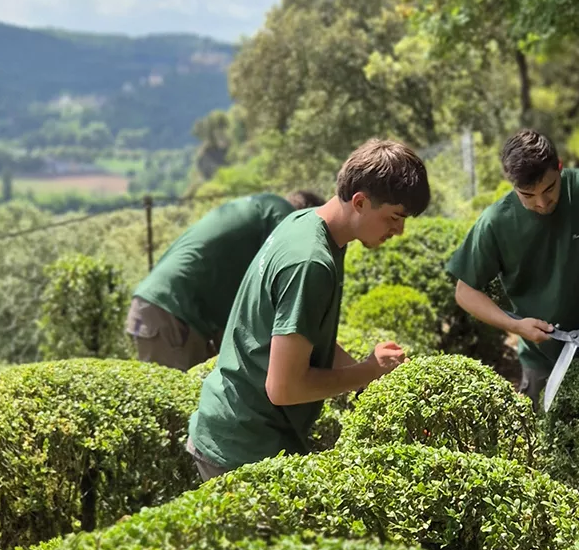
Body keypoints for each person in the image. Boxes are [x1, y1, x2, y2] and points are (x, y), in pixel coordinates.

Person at [185, 139, 430, 480]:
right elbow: (284, 387)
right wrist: (368, 371)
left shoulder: (304, 224)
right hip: (242, 448)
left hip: (239, 432)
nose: (399, 230)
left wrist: (368, 371)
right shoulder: (310, 262)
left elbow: (307, 338)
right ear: (359, 202)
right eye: (394, 217)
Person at [447, 129, 579, 408]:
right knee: (544, 440)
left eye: (549, 188)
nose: (541, 202)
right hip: (541, 359)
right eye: (527, 195)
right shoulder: (495, 223)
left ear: (559, 167)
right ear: (512, 185)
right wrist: (515, 326)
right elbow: (465, 292)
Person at [127, 189, 325, 371]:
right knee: (174, 401)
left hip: (164, 309)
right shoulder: (282, 213)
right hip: (171, 313)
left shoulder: (258, 213)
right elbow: (288, 287)